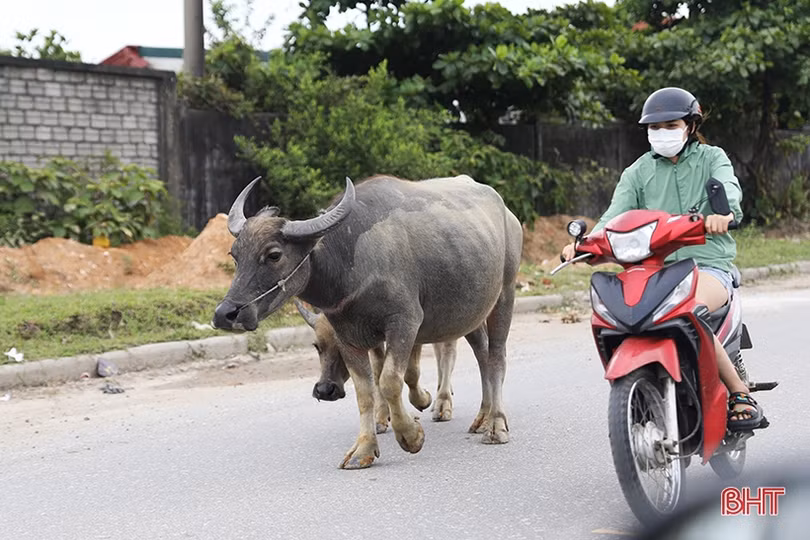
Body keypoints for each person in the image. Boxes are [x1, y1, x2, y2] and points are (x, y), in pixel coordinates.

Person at [561, 86, 764, 430]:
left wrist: (722, 214)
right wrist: (586, 243)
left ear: (690, 125)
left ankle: (739, 391)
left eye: (671, 126)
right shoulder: (638, 172)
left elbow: (728, 187)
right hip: (654, 270)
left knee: (689, 310)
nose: (662, 133)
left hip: (707, 265)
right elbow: (614, 214)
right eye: (655, 128)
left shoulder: (712, 158)